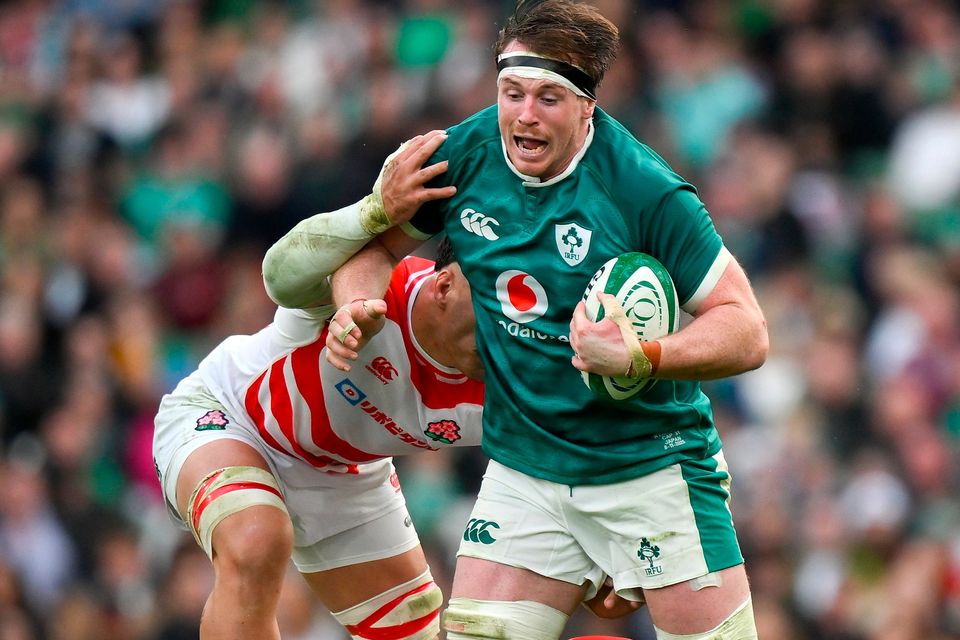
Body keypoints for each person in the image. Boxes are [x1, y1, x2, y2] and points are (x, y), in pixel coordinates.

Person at [322, 1, 769, 639]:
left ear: (588, 105)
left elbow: (747, 328)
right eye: (512, 93)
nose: (525, 115)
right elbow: (369, 248)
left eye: (549, 98)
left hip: (650, 468)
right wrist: (355, 306)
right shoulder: (463, 156)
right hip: (525, 471)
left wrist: (644, 358)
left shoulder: (644, 189)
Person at [152, 133, 485, 640]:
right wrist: (374, 211)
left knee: (411, 626)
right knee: (256, 540)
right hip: (233, 417)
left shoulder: (521, 378)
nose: (509, 326)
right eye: (494, 304)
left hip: (344, 473)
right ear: (443, 286)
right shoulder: (375, 286)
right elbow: (278, 276)